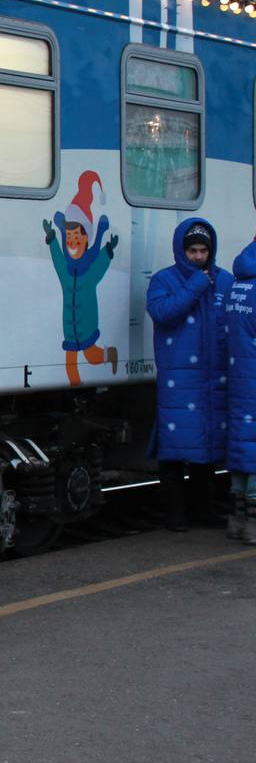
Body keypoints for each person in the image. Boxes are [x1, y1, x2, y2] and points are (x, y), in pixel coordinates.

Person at [147, 218, 232, 531]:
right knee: (173, 451)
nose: (198, 256)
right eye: (193, 250)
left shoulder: (225, 281)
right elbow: (163, 313)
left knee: (205, 450)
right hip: (179, 379)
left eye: (203, 251)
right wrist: (197, 284)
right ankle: (174, 516)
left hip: (212, 377)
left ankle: (204, 512)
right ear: (181, 250)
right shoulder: (164, 280)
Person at [43, 170, 119, 386]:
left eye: (77, 237)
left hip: (85, 325)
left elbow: (100, 267)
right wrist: (52, 240)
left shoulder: (89, 274)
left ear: (86, 240)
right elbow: (58, 259)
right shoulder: (65, 272)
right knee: (70, 363)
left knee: (92, 356)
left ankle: (109, 354)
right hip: (69, 328)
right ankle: (75, 387)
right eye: (69, 238)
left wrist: (107, 252)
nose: (72, 242)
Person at [224, 236, 256, 544]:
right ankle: (254, 526)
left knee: (241, 445)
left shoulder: (239, 284)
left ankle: (237, 519)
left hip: (239, 376)